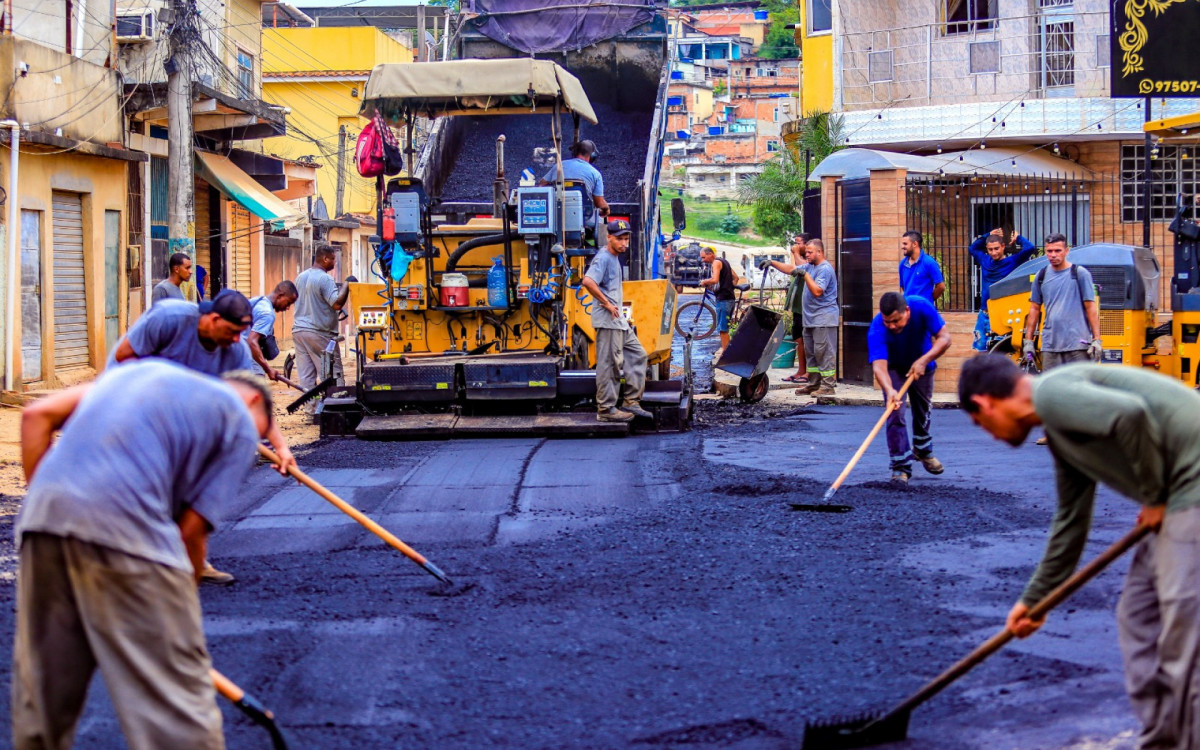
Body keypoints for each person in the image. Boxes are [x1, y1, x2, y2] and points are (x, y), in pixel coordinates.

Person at [11, 361, 271, 750]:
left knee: (46, 685)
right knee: (175, 704)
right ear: (253, 399)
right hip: (128, 531)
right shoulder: (236, 418)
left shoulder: (134, 376)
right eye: (261, 432)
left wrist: (59, 506)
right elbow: (192, 533)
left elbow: (35, 416)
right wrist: (179, 618)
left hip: (42, 523)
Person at [958, 354, 1200, 749]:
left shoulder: (1052, 392)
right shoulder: (1060, 430)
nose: (989, 434)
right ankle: (1163, 739)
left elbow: (1131, 414)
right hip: (1174, 498)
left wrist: (1154, 496)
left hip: (1190, 491)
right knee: (1138, 616)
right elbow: (1071, 520)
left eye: (979, 423)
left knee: (1183, 635)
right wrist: (1036, 599)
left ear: (985, 404)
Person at [111, 290, 296, 583]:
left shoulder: (234, 351)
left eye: (241, 333)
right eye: (232, 331)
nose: (237, 340)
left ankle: (191, 557)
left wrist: (281, 446)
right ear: (212, 319)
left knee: (195, 480)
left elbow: (251, 401)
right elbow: (124, 357)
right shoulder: (169, 319)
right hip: (132, 399)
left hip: (182, 413)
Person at [868, 291, 952, 484]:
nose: (892, 326)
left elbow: (945, 338)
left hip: (923, 363)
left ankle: (923, 450)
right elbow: (879, 367)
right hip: (894, 369)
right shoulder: (877, 328)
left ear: (906, 311)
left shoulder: (921, 306)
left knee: (923, 410)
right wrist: (890, 390)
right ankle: (900, 467)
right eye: (887, 322)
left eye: (896, 321)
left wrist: (924, 361)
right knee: (894, 413)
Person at [581, 219, 650, 423]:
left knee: (638, 355)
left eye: (626, 239)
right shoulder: (603, 258)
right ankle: (606, 409)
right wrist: (607, 303)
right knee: (609, 364)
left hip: (618, 321)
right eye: (620, 239)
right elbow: (587, 281)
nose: (624, 243)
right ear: (609, 237)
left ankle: (631, 401)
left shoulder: (615, 258)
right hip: (607, 320)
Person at [1022, 232, 1102, 369]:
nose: (1053, 255)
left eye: (1058, 251)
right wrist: (1028, 342)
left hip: (1078, 345)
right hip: (1050, 345)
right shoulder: (1041, 276)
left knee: (1078, 388)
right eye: (1049, 251)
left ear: (1066, 251)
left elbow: (1091, 308)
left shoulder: (1080, 274)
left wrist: (1096, 340)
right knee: (1051, 388)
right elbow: (1034, 309)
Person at [292, 245, 351, 394]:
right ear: (325, 259)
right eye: (333, 259)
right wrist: (347, 285)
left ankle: (311, 413)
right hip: (320, 333)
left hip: (299, 332)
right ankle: (336, 410)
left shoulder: (301, 277)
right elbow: (336, 304)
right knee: (332, 375)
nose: (334, 263)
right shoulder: (325, 278)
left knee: (307, 378)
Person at [968, 228, 1037, 351]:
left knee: (999, 350)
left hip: (1002, 314)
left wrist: (1018, 239)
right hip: (984, 313)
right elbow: (972, 248)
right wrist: (987, 235)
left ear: (1003, 246)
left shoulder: (1012, 261)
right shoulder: (985, 260)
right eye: (990, 249)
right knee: (981, 350)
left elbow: (1030, 248)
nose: (994, 252)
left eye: (996, 248)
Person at [761, 234, 811, 384]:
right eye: (794, 243)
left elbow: (800, 268)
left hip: (806, 309)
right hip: (797, 308)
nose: (794, 246)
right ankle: (801, 370)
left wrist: (795, 252)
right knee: (798, 339)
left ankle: (809, 372)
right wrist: (772, 262)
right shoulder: (799, 261)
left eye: (798, 243)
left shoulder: (810, 262)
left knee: (807, 340)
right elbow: (791, 269)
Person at [793, 238, 839, 397]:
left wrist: (805, 275)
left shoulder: (825, 269)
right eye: (806, 252)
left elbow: (818, 290)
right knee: (811, 353)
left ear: (819, 252)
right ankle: (814, 384)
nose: (807, 255)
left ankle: (827, 386)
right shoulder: (810, 266)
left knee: (824, 352)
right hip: (810, 320)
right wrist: (772, 263)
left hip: (823, 319)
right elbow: (791, 269)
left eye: (810, 252)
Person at [540, 140, 609, 229]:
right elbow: (599, 203)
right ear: (592, 156)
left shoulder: (558, 166)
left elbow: (541, 185)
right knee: (601, 221)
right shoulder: (595, 173)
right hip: (584, 218)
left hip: (556, 216)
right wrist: (606, 209)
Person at [248, 280, 298, 381]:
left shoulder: (258, 300)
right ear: (280, 295)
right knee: (257, 394)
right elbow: (251, 341)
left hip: (238, 356)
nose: (288, 307)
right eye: (288, 302)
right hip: (248, 360)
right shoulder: (267, 314)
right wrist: (268, 369)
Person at [699, 245, 736, 359]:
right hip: (730, 298)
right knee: (726, 327)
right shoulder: (724, 261)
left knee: (722, 329)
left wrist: (705, 282)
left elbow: (715, 279)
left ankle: (726, 355)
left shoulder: (716, 263)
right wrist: (728, 287)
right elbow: (736, 278)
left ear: (710, 254)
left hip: (723, 299)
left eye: (704, 257)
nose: (703, 260)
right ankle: (728, 351)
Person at [898, 230, 946, 303]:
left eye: (905, 244)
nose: (902, 247)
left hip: (924, 310)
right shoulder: (903, 264)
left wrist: (928, 301)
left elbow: (941, 287)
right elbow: (904, 287)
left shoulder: (929, 262)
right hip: (908, 310)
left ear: (914, 244)